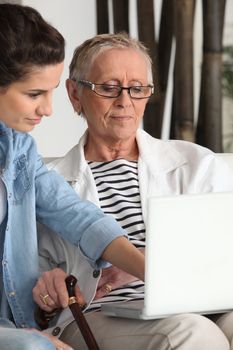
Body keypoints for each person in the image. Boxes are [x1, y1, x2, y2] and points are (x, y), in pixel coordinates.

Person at [35, 32, 233, 350]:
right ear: (75, 94)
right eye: (109, 87)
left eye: (137, 89)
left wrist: (142, 267)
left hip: (207, 304)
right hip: (98, 315)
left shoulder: (197, 163)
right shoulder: (48, 184)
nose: (125, 101)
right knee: (193, 333)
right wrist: (47, 286)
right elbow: (31, 281)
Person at [0, 6, 145, 350]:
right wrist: (34, 340)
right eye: (34, 94)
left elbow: (79, 218)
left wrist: (150, 269)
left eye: (51, 92)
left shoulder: (20, 151)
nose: (48, 109)